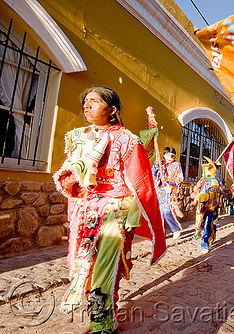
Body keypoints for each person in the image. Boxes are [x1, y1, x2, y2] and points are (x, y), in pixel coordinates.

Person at [53, 87, 166, 334]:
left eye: (94, 101)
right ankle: (95, 307)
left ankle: (102, 321)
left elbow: (140, 183)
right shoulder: (77, 137)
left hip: (115, 211)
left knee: (106, 266)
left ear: (111, 109)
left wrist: (132, 216)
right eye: (86, 101)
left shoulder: (127, 140)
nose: (87, 105)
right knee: (81, 265)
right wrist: (75, 182)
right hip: (86, 212)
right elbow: (68, 173)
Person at [152, 147, 184, 239]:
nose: (171, 157)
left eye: (173, 155)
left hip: (170, 190)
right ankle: (161, 233)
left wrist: (168, 179)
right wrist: (156, 165)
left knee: (167, 211)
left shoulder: (176, 164)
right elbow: (153, 174)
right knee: (159, 212)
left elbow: (180, 178)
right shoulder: (160, 163)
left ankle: (176, 228)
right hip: (159, 190)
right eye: (168, 155)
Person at [191, 157, 221, 253]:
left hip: (211, 206)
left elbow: (216, 192)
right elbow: (195, 189)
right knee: (202, 222)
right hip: (201, 205)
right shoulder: (202, 180)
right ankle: (209, 236)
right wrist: (195, 194)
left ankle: (205, 243)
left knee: (209, 222)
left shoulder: (216, 181)